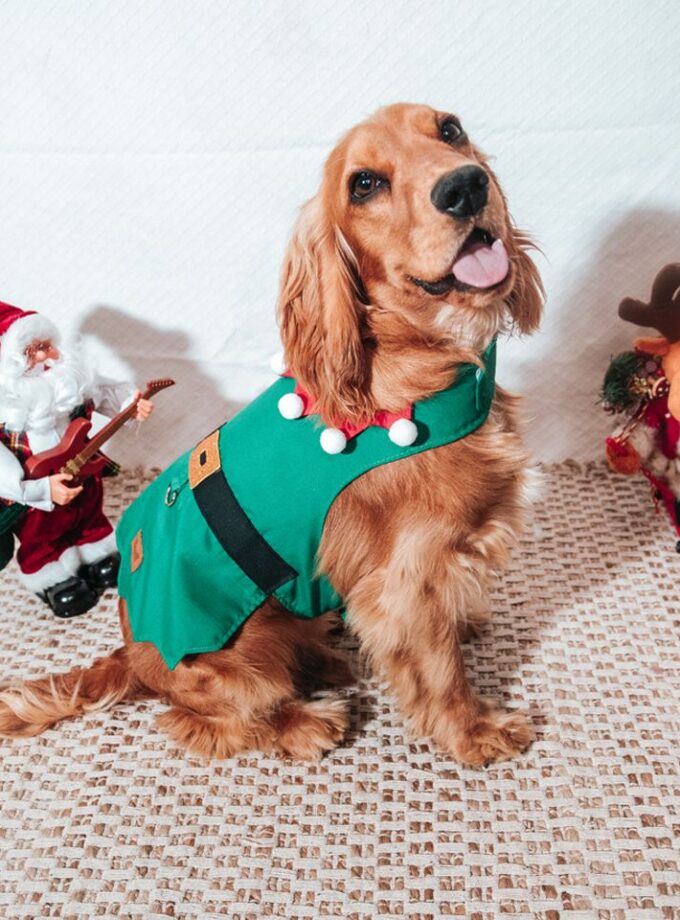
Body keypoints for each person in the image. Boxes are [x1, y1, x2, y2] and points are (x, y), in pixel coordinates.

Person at [0, 301, 153, 617]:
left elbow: (106, 392)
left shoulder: (67, 381)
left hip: (83, 472)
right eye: (31, 352)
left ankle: (97, 555)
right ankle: (52, 579)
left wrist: (131, 404)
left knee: (88, 513)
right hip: (37, 493)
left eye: (46, 346)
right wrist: (40, 490)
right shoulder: (7, 407)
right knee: (42, 534)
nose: (44, 357)